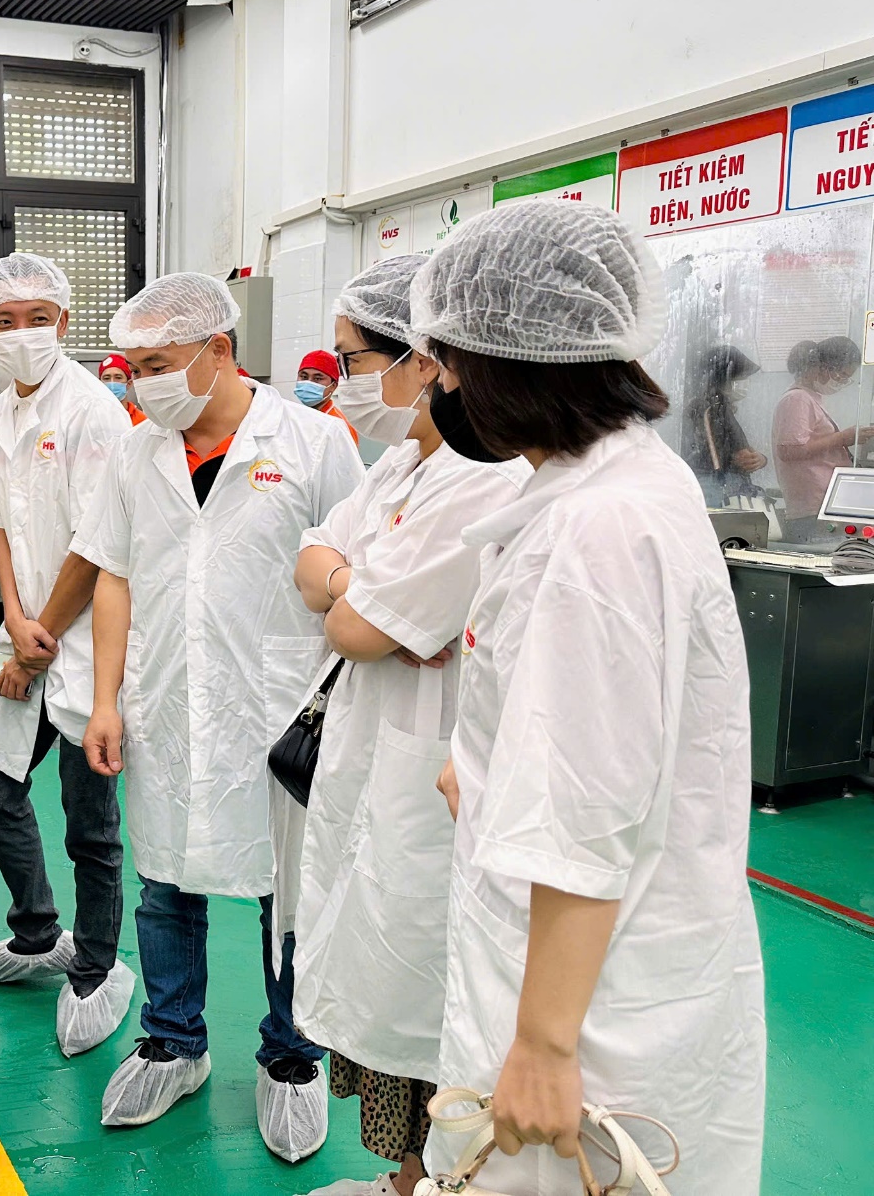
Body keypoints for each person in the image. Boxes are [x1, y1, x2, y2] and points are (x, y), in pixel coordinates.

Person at [406, 200, 765, 1195]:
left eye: (446, 366)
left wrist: (543, 1045)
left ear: (506, 363)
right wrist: (478, 770)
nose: (438, 390)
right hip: (622, 952)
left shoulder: (594, 531)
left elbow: (586, 810)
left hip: (589, 1006)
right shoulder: (617, 485)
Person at [72, 272, 364, 1159]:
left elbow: (353, 568)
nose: (137, 383)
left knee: (287, 886)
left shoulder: (314, 442)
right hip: (167, 697)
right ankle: (173, 1040)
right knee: (166, 879)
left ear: (219, 351)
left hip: (280, 703)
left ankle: (291, 1054)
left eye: (155, 364)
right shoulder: (135, 451)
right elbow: (115, 575)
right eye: (130, 366)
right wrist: (105, 698)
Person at [288, 255, 531, 1196]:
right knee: (378, 984)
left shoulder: (483, 478)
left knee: (431, 1002)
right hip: (372, 757)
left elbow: (351, 617)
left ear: (423, 361)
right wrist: (362, 591)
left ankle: (425, 1181)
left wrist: (356, 596)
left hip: (433, 782)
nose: (342, 382)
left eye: (353, 360)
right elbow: (315, 568)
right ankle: (400, 1177)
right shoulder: (401, 459)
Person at [0, 253, 137, 1059]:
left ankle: (98, 967)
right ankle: (38, 933)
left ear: (63, 322)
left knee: (88, 822)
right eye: (4, 321)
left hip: (85, 632)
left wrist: (39, 642)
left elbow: (99, 547)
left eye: (36, 317)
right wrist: (12, 619)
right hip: (26, 625)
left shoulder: (94, 411)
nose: (22, 333)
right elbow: (0, 523)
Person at [773, 334, 864, 541]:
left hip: (823, 500)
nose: (840, 382)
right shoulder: (797, 399)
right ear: (823, 367)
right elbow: (789, 450)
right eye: (840, 375)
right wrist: (842, 438)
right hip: (811, 505)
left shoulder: (812, 398)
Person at [683, 344, 766, 507]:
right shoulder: (713, 407)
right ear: (724, 378)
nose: (746, 383)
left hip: (714, 485)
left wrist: (761, 459)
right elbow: (739, 455)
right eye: (741, 377)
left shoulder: (715, 406)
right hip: (716, 487)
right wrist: (754, 459)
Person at [295, 349, 359, 442]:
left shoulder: (339, 427)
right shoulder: (296, 417)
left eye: (317, 378)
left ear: (333, 386)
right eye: (304, 377)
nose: (308, 383)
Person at [98, 353, 148, 426]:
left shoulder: (141, 421)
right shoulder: (92, 417)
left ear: (129, 383)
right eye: (106, 378)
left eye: (118, 377)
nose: (112, 383)